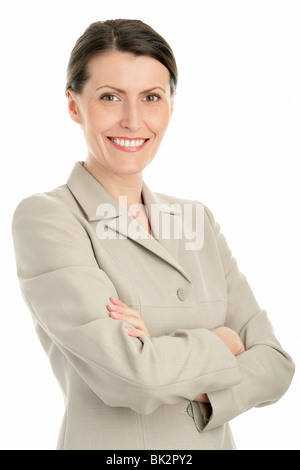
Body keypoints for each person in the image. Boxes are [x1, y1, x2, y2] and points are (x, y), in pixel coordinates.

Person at [12, 19, 294, 451]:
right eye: (110, 97)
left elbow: (276, 365)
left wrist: (157, 351)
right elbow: (130, 379)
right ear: (74, 105)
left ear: (170, 106)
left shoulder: (196, 220)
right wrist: (224, 343)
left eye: (151, 98)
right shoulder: (49, 219)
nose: (133, 119)